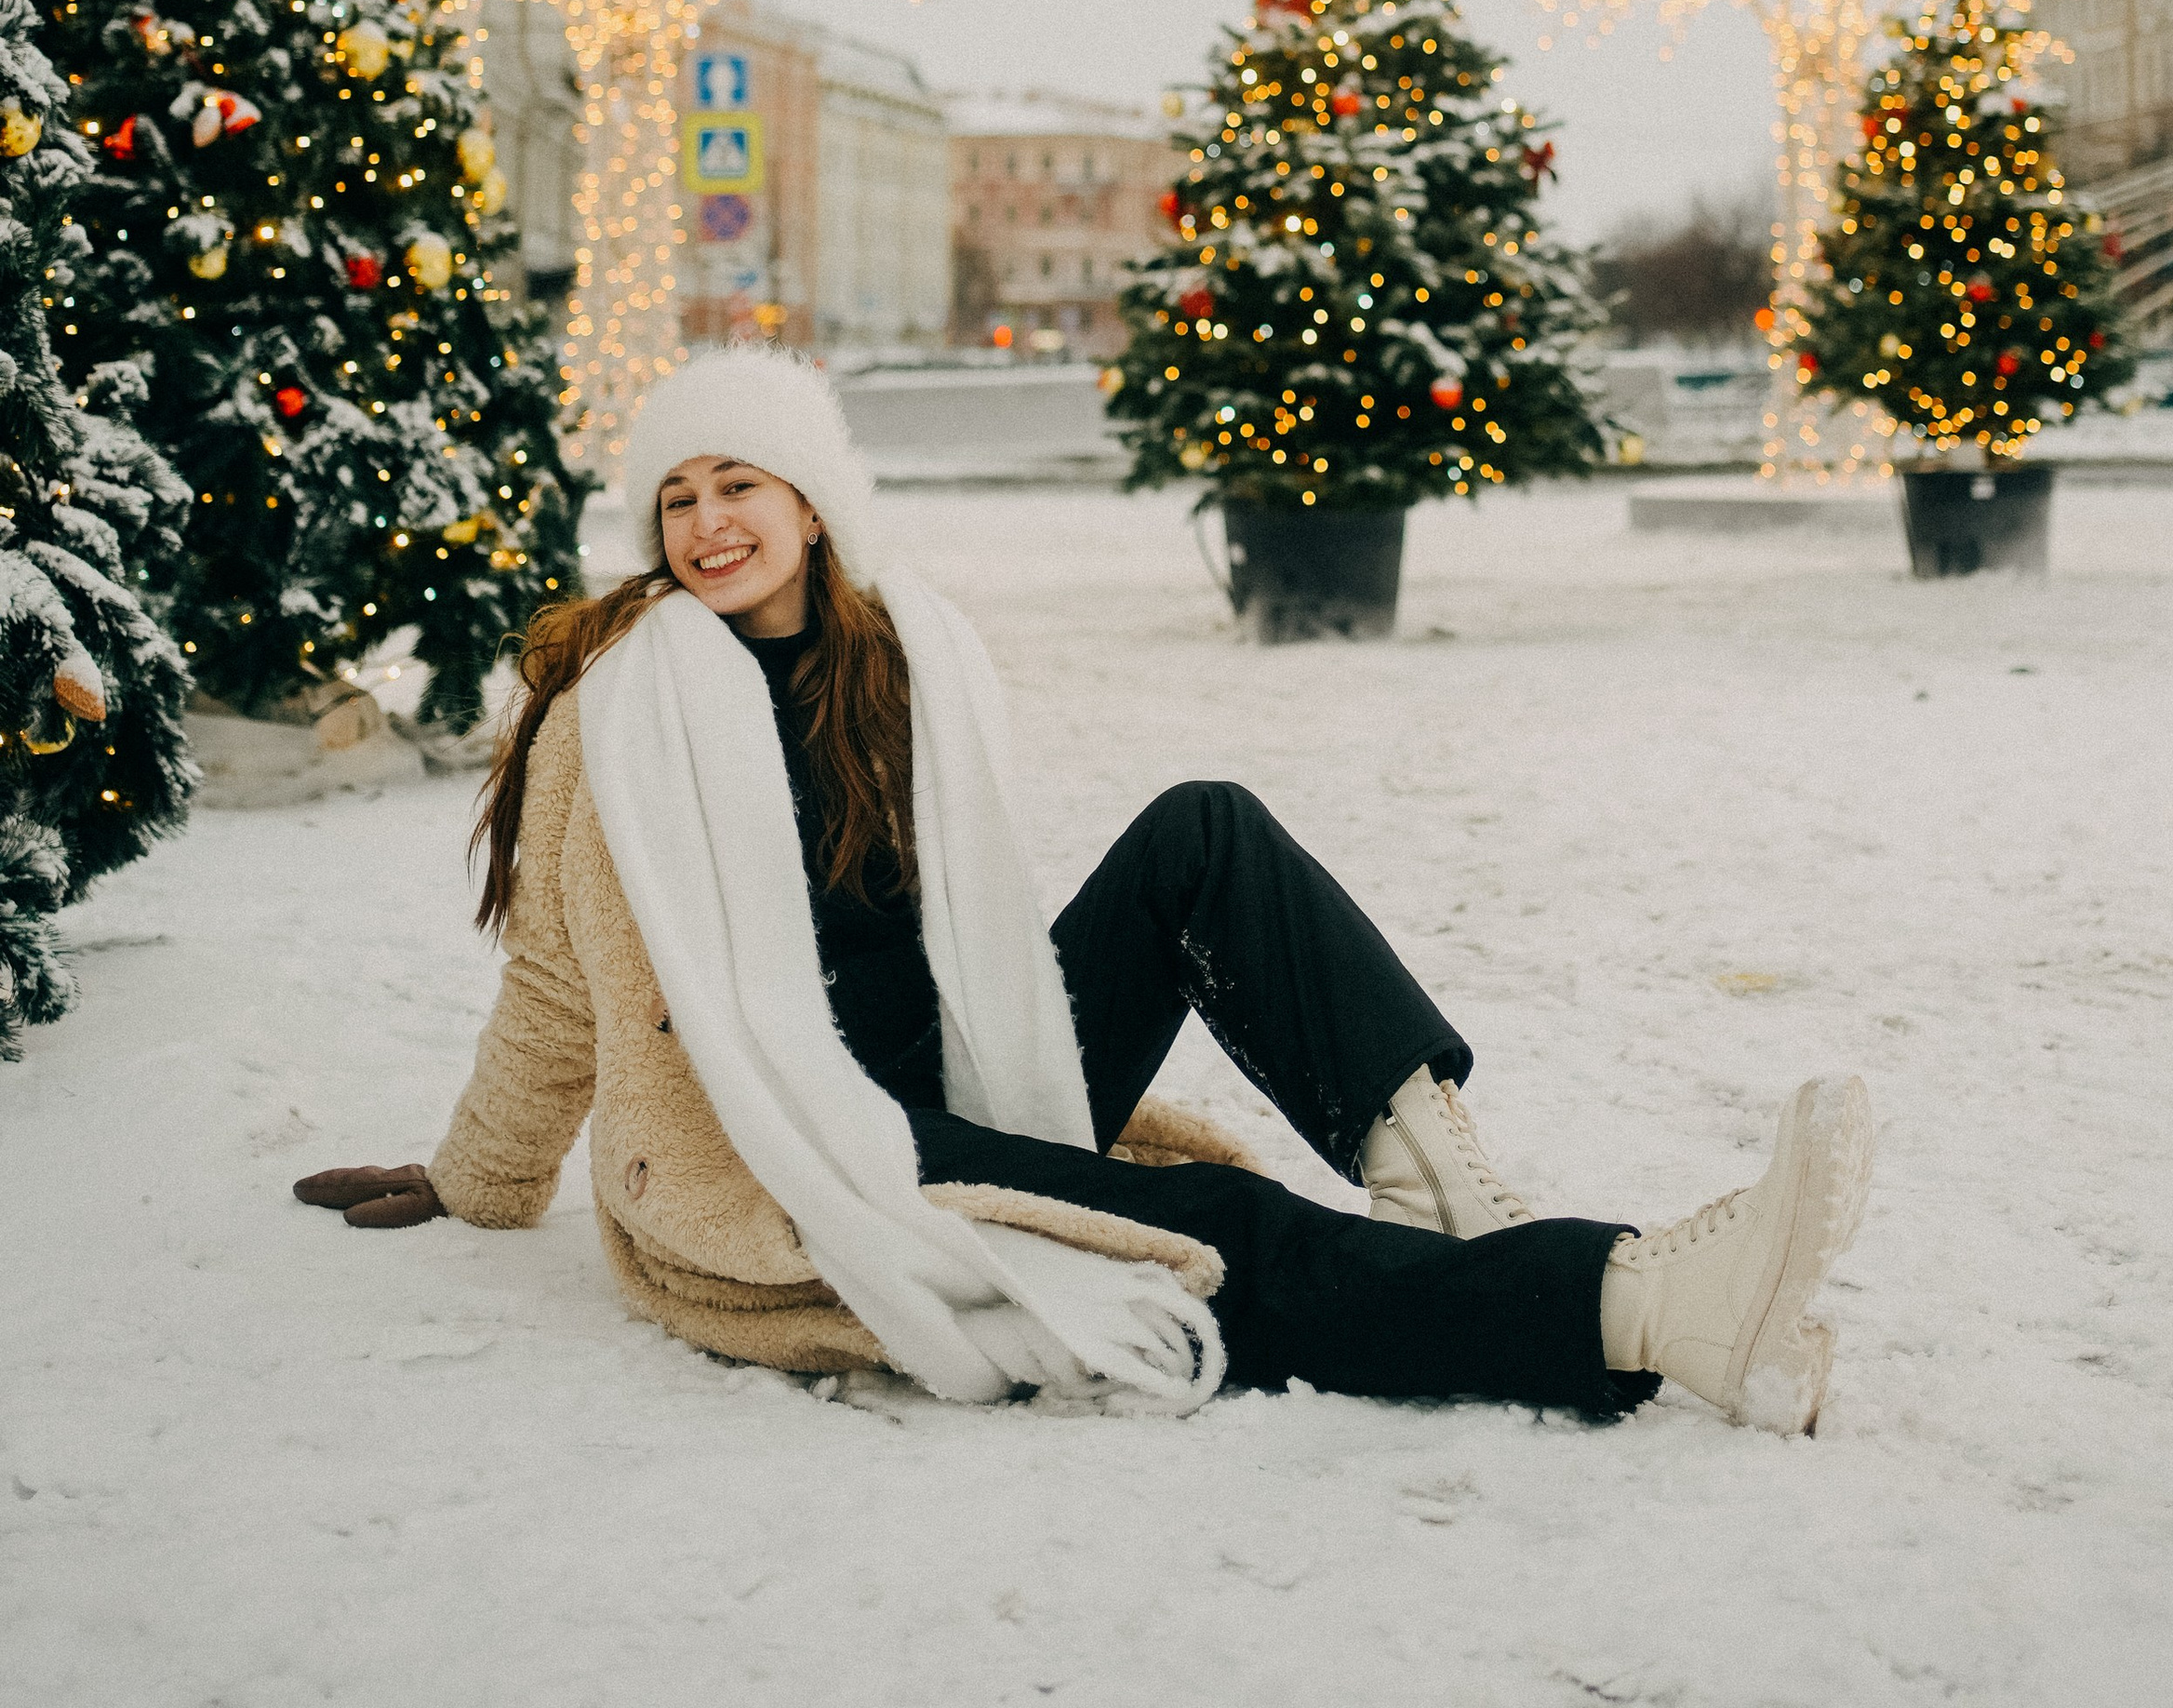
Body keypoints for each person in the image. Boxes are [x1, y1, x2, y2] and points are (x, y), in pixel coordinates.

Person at [300, 354, 1873, 1430]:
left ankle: (1443, 1194)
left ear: (811, 504)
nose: (708, 524)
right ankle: (1632, 1309)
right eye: (678, 498)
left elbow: (970, 932)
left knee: (1206, 832)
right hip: (804, 1134)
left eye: (740, 486)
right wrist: (478, 1178)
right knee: (1195, 1231)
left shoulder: (896, 666)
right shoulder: (618, 712)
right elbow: (555, 981)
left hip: (961, 1071)